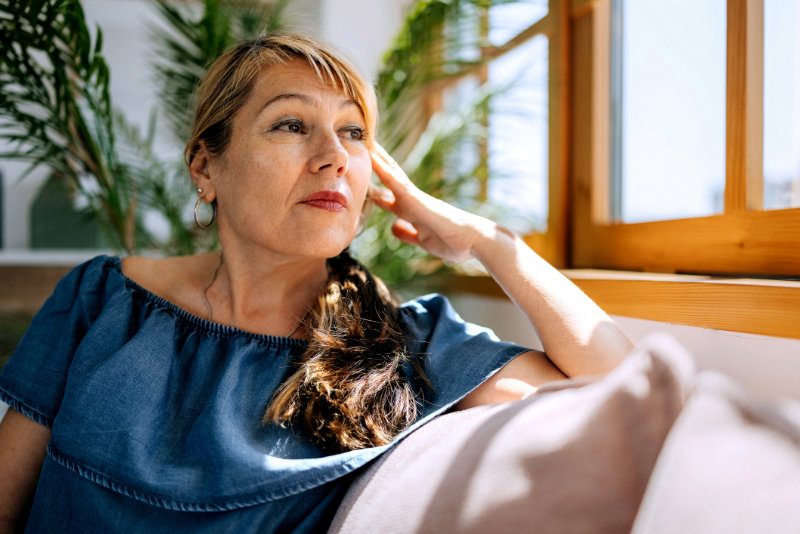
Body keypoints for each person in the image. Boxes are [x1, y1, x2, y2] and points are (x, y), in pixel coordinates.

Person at [0, 32, 633, 533]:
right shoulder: (101, 300)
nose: (333, 155)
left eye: (353, 133)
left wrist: (487, 241)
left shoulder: (404, 345)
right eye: (291, 124)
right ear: (206, 166)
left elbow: (622, 395)